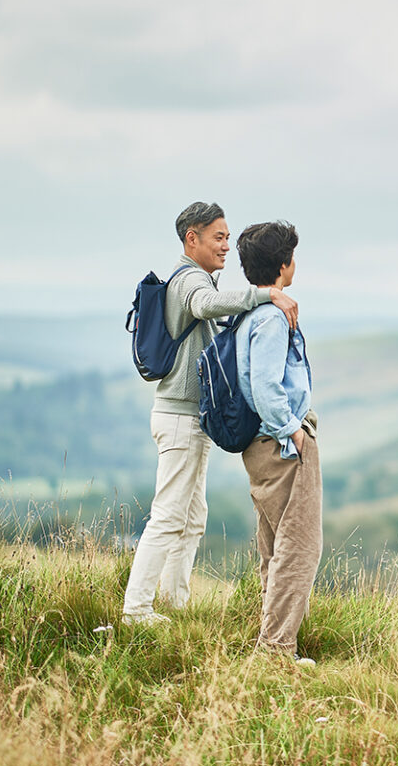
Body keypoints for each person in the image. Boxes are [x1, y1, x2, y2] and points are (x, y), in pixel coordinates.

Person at [122, 202, 298, 626]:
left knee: (192, 515)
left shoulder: (195, 278)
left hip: (187, 419)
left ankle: (173, 602)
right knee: (169, 513)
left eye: (226, 236)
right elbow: (205, 306)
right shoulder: (189, 281)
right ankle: (136, 610)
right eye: (218, 236)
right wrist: (266, 293)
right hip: (180, 418)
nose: (225, 245)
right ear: (192, 238)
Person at [234, 220, 322, 667]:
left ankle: (272, 642)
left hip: (259, 444)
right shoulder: (272, 318)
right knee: (300, 546)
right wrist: (294, 430)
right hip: (281, 443)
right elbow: (267, 387)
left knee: (273, 545)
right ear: (284, 265)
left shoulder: (250, 313)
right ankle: (276, 650)